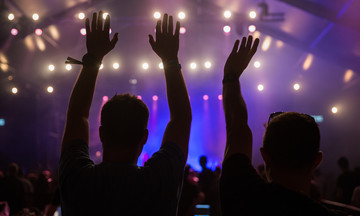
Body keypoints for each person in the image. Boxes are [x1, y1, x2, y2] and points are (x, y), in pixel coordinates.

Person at [59, 12, 191, 215]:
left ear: (102, 134)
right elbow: (182, 119)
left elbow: (77, 116)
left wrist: (93, 58)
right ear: (144, 137)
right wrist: (170, 60)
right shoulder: (158, 181)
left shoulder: (79, 179)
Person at [219, 36, 338, 215]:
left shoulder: (242, 193)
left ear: (265, 155)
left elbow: (236, 128)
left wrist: (231, 76)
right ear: (317, 160)